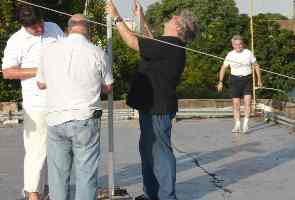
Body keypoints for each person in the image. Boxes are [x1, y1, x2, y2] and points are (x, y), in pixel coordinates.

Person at [106, 1, 198, 200]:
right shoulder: (169, 45)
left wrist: (116, 17)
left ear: (179, 26)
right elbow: (151, 41)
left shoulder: (171, 46)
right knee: (148, 152)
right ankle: (152, 194)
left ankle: (166, 196)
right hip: (151, 106)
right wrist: (142, 17)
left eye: (176, 17)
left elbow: (133, 42)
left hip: (158, 109)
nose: (171, 16)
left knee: (160, 154)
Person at [36, 14, 113, 200]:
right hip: (85, 118)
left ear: (69, 28)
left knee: (58, 176)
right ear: (88, 29)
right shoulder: (97, 52)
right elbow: (109, 86)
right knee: (86, 174)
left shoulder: (49, 51)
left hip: (56, 119)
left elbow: (40, 84)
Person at [1, 6, 64, 200]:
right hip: (36, 104)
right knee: (36, 152)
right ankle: (32, 194)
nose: (40, 29)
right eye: (35, 28)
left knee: (59, 151)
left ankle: (53, 190)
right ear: (24, 26)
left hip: (61, 101)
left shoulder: (53, 27)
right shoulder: (16, 41)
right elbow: (8, 72)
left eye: (41, 24)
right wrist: (39, 71)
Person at [217, 35, 263, 134]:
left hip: (247, 79)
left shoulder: (248, 53)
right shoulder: (230, 55)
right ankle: (237, 124)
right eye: (236, 44)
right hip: (234, 80)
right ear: (233, 45)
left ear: (243, 44)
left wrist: (259, 79)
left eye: (240, 44)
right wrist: (220, 82)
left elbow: (256, 66)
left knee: (247, 102)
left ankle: (245, 124)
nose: (238, 46)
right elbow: (223, 68)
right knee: (236, 104)